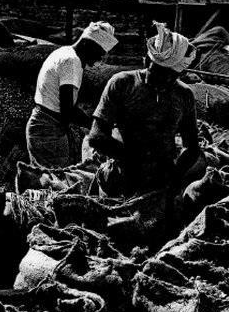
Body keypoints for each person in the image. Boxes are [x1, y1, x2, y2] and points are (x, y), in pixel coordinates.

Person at [85, 21, 205, 198]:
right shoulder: (122, 83)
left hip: (162, 179)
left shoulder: (184, 94)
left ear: (179, 74)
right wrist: (134, 159)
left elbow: (192, 147)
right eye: (157, 72)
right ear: (146, 60)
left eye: (170, 76)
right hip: (121, 175)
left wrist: (175, 175)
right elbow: (96, 137)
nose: (163, 81)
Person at [25, 21, 118, 168]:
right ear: (88, 44)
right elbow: (67, 109)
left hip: (44, 124)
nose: (98, 61)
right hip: (48, 130)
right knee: (54, 183)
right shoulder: (72, 61)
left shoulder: (63, 52)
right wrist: (96, 126)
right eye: (98, 54)